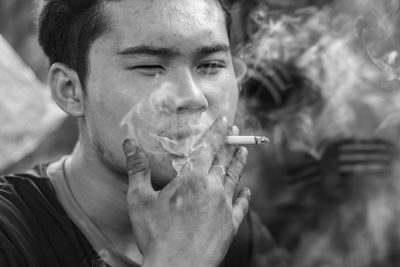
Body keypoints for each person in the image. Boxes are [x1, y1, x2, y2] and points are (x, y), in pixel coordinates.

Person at [0, 0, 289, 266]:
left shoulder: (221, 220)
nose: (192, 97)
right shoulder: (11, 235)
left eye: (210, 65)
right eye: (151, 68)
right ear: (70, 91)